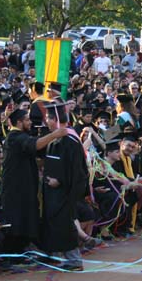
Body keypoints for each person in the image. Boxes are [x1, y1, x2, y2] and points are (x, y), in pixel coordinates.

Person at [1, 108, 67, 254]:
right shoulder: (14, 137)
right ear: (19, 122)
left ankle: (23, 250)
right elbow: (35, 144)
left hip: (26, 187)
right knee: (17, 221)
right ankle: (11, 255)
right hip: (15, 189)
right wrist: (54, 134)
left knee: (28, 219)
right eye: (27, 120)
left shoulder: (23, 136)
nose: (30, 122)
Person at [39, 103, 88, 271]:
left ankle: (74, 260)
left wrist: (60, 181)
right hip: (53, 193)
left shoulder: (70, 142)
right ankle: (60, 257)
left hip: (65, 193)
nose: (46, 121)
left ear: (56, 119)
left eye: (48, 118)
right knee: (55, 224)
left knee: (65, 225)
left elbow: (78, 172)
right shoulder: (55, 140)